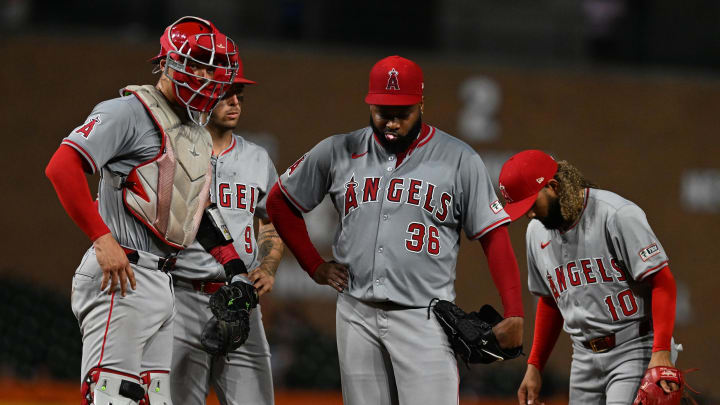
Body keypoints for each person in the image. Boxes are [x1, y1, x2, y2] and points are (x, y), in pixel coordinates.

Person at [266, 55, 524, 405]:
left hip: (424, 317)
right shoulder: (339, 150)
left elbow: (493, 236)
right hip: (356, 313)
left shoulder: (459, 158)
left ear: (421, 104)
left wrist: (514, 312)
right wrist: (314, 265)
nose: (391, 123)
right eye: (382, 112)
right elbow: (280, 201)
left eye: (402, 113)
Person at [45, 16, 239, 405]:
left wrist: (235, 270)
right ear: (169, 63)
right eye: (198, 63)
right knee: (113, 396)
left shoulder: (195, 131)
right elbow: (61, 166)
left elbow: (195, 210)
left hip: (162, 281)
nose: (208, 75)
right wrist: (101, 238)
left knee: (154, 400)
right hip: (122, 273)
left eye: (213, 67)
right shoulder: (128, 111)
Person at [498, 150, 681, 405]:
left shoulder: (615, 214)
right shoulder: (535, 232)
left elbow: (662, 280)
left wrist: (660, 353)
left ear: (553, 186)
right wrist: (535, 365)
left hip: (634, 346)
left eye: (531, 205)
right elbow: (551, 301)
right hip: (583, 356)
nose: (529, 214)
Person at [169, 70, 284, 405]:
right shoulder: (175, 152)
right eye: (226, 95)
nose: (236, 103)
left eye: (239, 96)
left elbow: (272, 222)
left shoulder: (257, 158)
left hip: (240, 299)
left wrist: (269, 265)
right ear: (202, 97)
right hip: (183, 296)